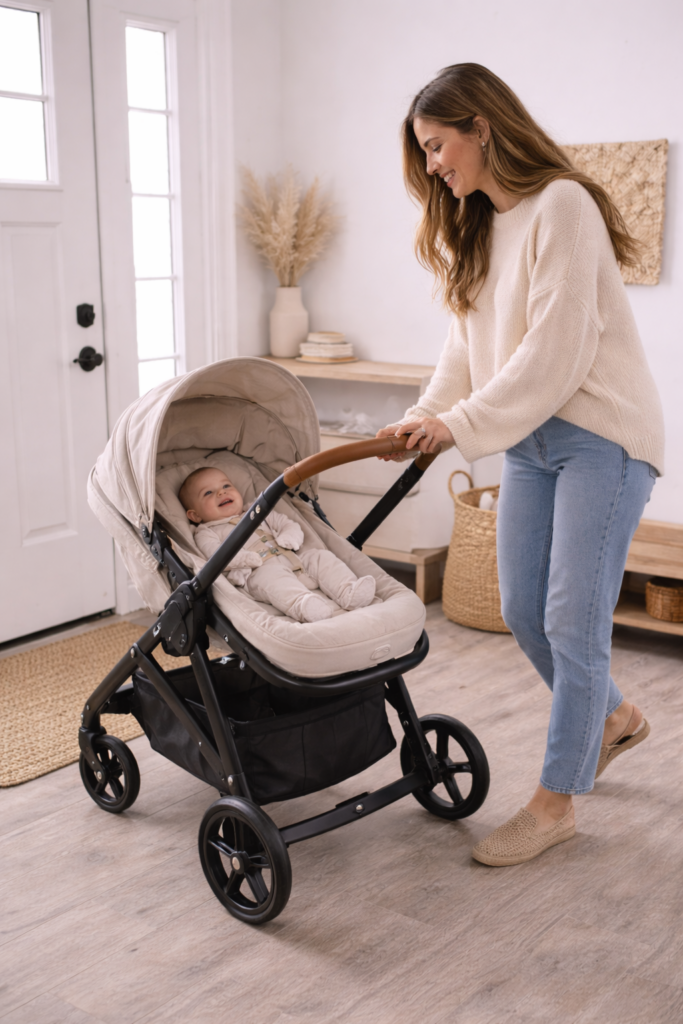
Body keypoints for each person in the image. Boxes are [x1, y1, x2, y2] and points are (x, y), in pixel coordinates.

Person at [376, 63, 664, 866]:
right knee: (523, 608)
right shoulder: (476, 226)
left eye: (437, 146)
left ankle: (555, 802)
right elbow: (460, 352)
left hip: (599, 436)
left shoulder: (561, 206)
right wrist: (422, 416)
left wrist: (458, 427)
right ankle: (613, 720)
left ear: (482, 127)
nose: (433, 166)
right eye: (424, 153)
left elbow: (555, 355)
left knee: (573, 620)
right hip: (530, 443)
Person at [179, 466, 376, 623]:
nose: (221, 493)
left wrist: (289, 537)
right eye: (208, 493)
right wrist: (245, 558)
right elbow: (216, 555)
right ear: (194, 515)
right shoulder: (206, 532)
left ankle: (348, 591)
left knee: (319, 556)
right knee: (273, 579)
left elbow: (286, 524)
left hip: (294, 559)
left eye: (226, 486)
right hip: (257, 572)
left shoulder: (257, 511)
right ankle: (303, 605)